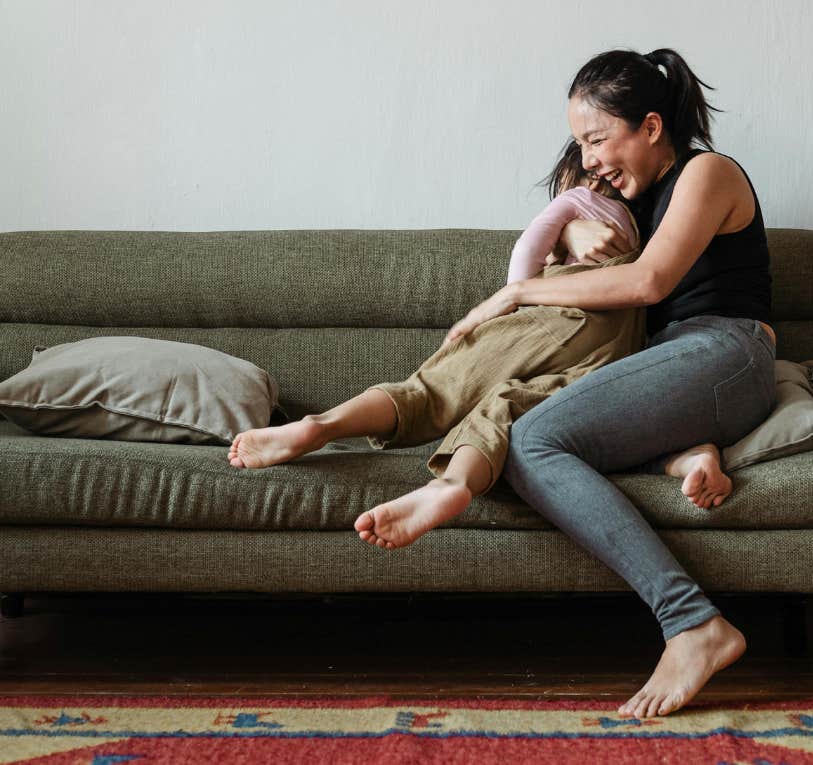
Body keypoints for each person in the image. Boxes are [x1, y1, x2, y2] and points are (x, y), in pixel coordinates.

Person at [443, 48, 778, 719]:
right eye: (581, 143)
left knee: (533, 440)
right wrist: (571, 235)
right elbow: (573, 224)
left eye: (598, 138)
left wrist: (516, 296)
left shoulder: (707, 173)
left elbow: (649, 281)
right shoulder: (630, 197)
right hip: (666, 363)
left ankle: (694, 623)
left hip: (726, 349)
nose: (590, 157)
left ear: (651, 127)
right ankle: (686, 449)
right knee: (533, 426)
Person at [225, 141, 736, 551]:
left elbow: (528, 248)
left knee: (429, 391)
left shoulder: (576, 202)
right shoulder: (648, 220)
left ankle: (323, 425)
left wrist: (518, 294)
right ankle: (452, 486)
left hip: (561, 315)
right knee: (509, 407)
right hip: (617, 347)